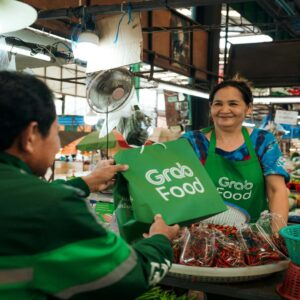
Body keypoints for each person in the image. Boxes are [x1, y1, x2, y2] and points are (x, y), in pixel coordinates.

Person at [0, 71, 179, 300]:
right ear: (31, 135)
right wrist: (160, 240)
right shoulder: (53, 208)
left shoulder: (34, 200)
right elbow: (128, 276)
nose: (56, 145)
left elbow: (21, 200)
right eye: (57, 133)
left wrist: (86, 182)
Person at [182, 77, 289, 225]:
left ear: (248, 108)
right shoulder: (193, 141)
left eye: (233, 103)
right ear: (210, 107)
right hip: (200, 235)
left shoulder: (262, 141)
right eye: (218, 104)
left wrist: (278, 237)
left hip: (253, 235)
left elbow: (276, 190)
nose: (224, 110)